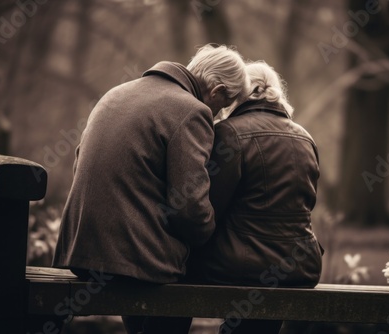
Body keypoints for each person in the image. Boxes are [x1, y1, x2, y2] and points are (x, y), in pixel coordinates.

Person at [52, 44, 249, 334]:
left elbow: (80, 164)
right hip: (131, 259)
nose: (219, 116)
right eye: (225, 104)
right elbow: (190, 208)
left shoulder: (116, 93)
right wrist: (212, 236)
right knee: (191, 273)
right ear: (217, 91)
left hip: (82, 250)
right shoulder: (191, 111)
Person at [189, 61, 323, 334]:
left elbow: (210, 208)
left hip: (240, 266)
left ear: (237, 94)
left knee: (170, 267)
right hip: (302, 267)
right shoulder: (305, 137)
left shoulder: (228, 133)